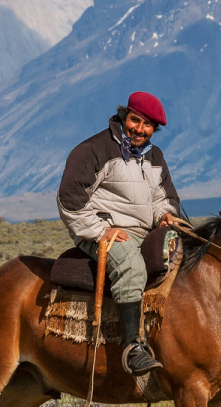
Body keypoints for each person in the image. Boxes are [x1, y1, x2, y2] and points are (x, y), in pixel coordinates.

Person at [57, 92, 183, 376]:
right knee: (130, 265)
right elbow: (70, 197)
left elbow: (163, 197)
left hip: (144, 230)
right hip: (102, 232)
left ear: (154, 129)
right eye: (135, 120)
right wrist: (100, 230)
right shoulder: (94, 149)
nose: (139, 129)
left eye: (147, 125)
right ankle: (133, 348)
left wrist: (165, 215)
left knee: (186, 259)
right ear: (124, 116)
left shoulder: (155, 156)